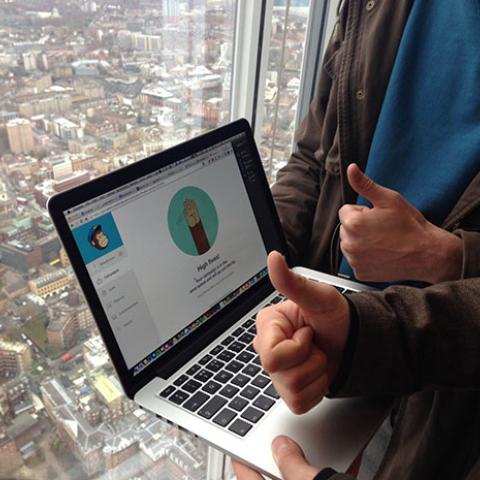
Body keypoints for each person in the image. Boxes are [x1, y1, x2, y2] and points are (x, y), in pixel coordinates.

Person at [234, 0, 480, 478]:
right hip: (326, 334)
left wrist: (446, 256)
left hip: (441, 397)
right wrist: (257, 273)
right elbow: (312, 157)